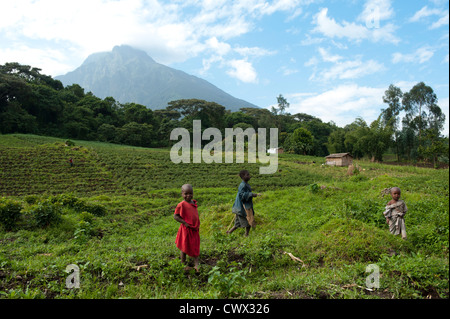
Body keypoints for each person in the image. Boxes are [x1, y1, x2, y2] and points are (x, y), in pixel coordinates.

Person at [174, 184, 200, 271]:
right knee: (184, 246)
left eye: (190, 193)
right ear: (182, 194)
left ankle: (196, 264)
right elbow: (176, 216)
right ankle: (183, 262)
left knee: (195, 245)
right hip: (186, 229)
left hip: (194, 229)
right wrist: (184, 223)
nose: (188, 195)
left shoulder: (193, 203)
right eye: (186, 194)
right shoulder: (181, 205)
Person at [227, 170, 259, 237]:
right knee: (248, 221)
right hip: (242, 207)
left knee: (237, 223)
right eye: (247, 175)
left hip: (241, 206)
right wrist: (252, 194)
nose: (249, 176)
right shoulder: (242, 185)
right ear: (243, 176)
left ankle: (229, 232)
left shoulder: (245, 184)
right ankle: (246, 235)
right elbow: (242, 195)